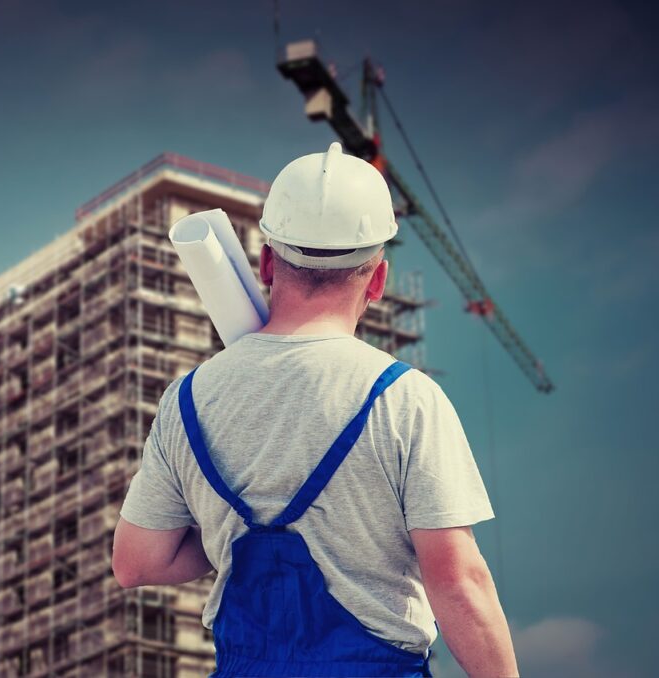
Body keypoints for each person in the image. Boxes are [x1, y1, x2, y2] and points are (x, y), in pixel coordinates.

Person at [111, 142, 519, 677]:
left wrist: (228, 528)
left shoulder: (186, 399)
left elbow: (137, 561)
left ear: (264, 263)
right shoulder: (404, 398)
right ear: (377, 280)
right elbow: (459, 584)